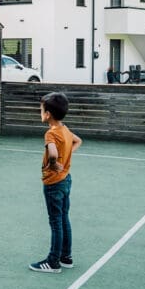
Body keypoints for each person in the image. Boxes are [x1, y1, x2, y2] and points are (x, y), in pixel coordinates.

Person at [29, 92, 83, 273]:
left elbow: (52, 153)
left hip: (53, 183)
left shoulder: (50, 134)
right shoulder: (65, 130)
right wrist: (66, 157)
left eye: (41, 109)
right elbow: (78, 141)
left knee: (55, 222)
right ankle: (66, 257)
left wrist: (54, 162)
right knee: (63, 218)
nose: (40, 112)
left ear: (48, 114)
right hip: (66, 180)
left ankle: (53, 262)